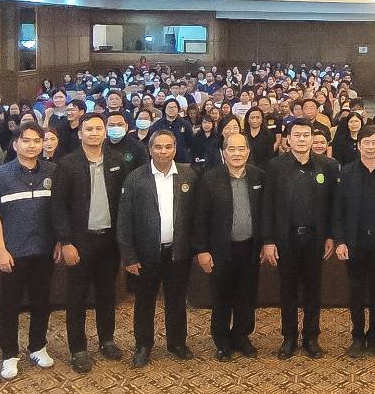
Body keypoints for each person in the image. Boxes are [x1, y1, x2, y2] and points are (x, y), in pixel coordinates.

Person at [50, 113, 127, 373]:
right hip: (79, 242)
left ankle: (107, 340)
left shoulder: (117, 161)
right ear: (80, 133)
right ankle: (78, 348)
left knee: (107, 293)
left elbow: (124, 204)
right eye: (89, 129)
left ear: (104, 132)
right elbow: (58, 206)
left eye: (98, 128)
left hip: (109, 241)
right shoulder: (67, 164)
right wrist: (66, 241)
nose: (94, 133)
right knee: (77, 296)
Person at [0, 125, 58, 380]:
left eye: (37, 140)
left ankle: (38, 346)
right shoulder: (0, 174)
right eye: (26, 140)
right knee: (10, 304)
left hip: (44, 249)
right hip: (13, 251)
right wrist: (0, 250)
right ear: (15, 144)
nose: (32, 145)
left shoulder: (52, 171)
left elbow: (59, 211)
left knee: (42, 301)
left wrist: (60, 241)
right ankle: (9, 354)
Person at [116, 129, 196, 365]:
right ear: (150, 149)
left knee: (176, 299)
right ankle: (143, 345)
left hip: (178, 252)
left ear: (175, 149)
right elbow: (124, 220)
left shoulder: (189, 176)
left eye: (168, 147)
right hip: (145, 254)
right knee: (144, 301)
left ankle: (177, 342)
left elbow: (196, 216)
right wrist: (129, 257)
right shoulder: (135, 178)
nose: (163, 151)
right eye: (158, 147)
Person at [260, 121, 338, 358]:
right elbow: (267, 205)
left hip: (316, 239)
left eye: (306, 135)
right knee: (288, 290)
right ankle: (289, 337)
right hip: (286, 239)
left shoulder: (327, 166)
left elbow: (333, 205)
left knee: (314, 289)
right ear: (288, 139)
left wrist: (331, 235)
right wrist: (268, 240)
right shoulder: (275, 166)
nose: (302, 139)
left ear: (313, 138)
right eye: (297, 135)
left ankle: (311, 337)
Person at [192, 132, 265, 360]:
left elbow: (265, 214)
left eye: (241, 149)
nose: (237, 153)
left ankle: (242, 336)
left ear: (248, 151)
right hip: (220, 249)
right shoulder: (209, 179)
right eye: (231, 149)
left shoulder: (259, 176)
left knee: (246, 296)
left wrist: (266, 243)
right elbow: (199, 218)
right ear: (223, 153)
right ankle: (222, 341)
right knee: (221, 297)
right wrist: (202, 250)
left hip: (250, 248)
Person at [333, 125, 375, 358]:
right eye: (367, 142)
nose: (371, 147)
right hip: (355, 242)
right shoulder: (347, 173)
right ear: (359, 145)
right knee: (355, 292)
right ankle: (357, 336)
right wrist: (340, 241)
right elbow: (338, 210)